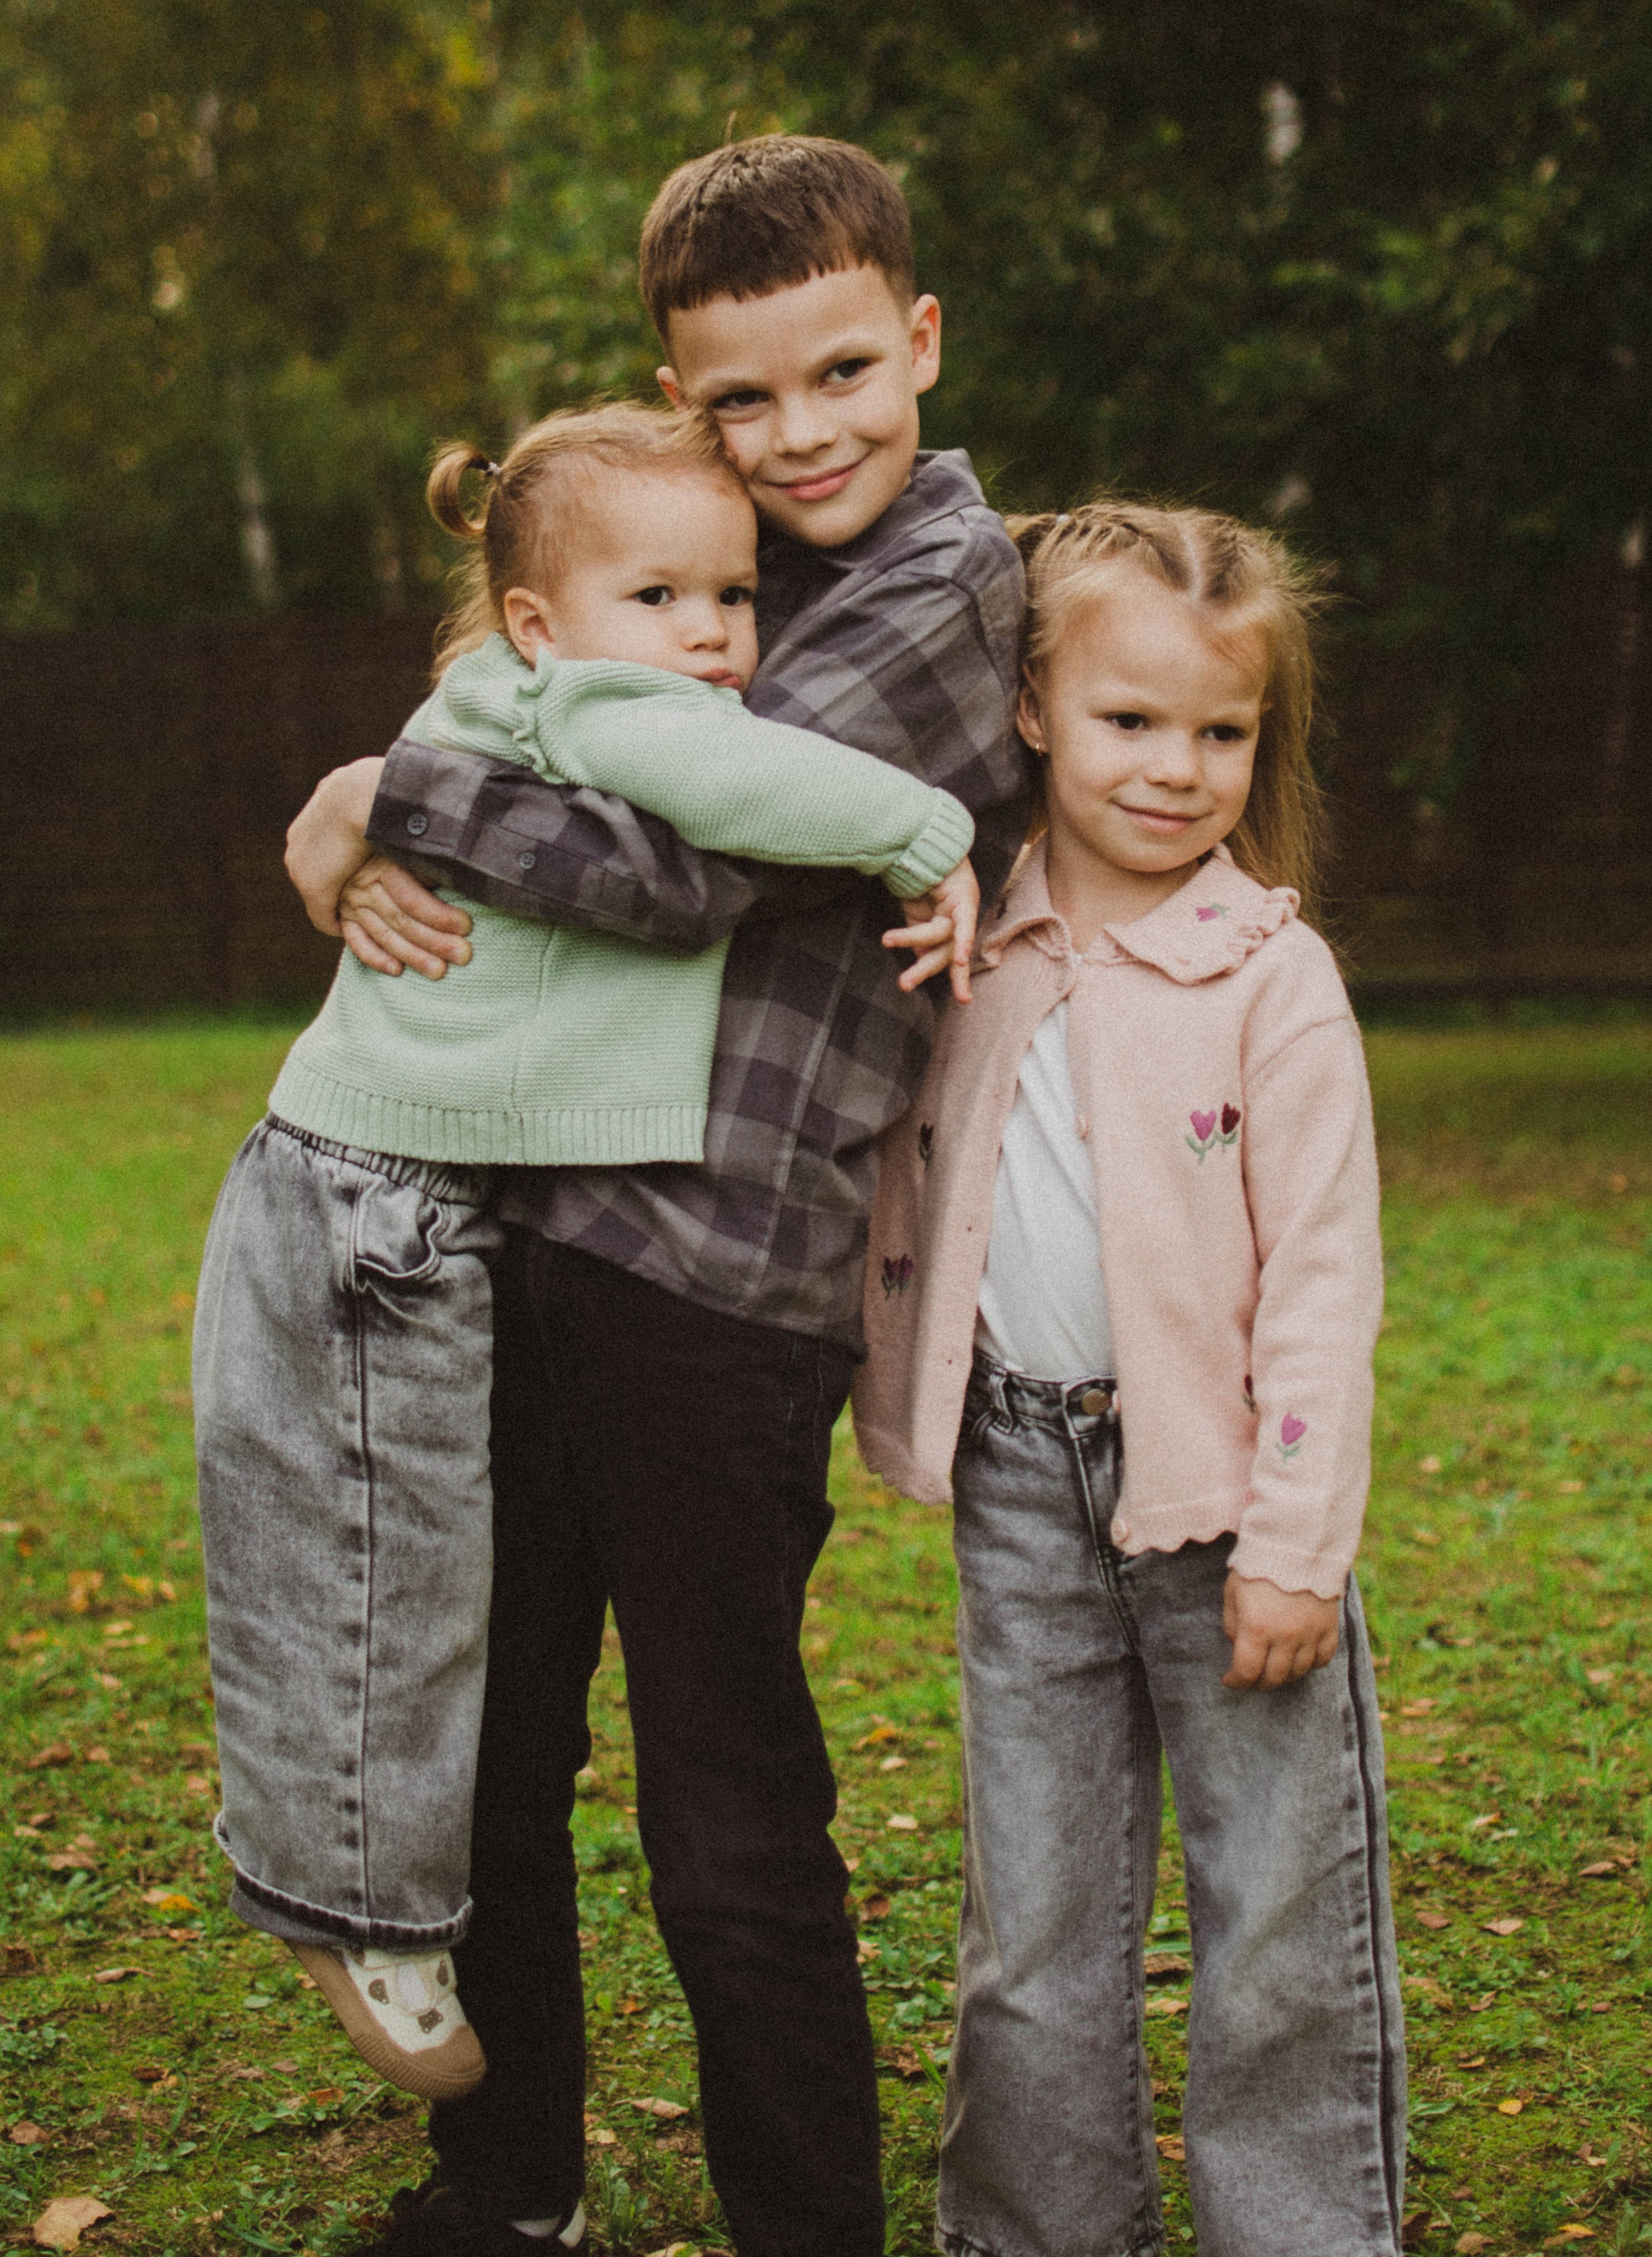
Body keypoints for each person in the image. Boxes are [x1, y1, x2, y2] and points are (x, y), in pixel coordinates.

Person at [281, 138, 1033, 2257]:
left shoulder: (940, 594)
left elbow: (671, 862)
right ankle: (503, 2189)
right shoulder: (700, 561)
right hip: (516, 1234)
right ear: (674, 397)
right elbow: (548, 719)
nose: (801, 436)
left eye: (840, 373)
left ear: (922, 339)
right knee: (492, 1750)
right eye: (739, 399)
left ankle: (811, 2227)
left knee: (727, 1804)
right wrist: (413, 802)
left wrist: (373, 789)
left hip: (719, 1279)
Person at [194, 395, 980, 2112]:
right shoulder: (613, 708)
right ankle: (350, 1901)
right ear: (545, 622)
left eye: (732, 598)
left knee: (357, 1569)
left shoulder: (520, 693)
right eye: (664, 600)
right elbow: (724, 799)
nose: (709, 638)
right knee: (363, 1579)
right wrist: (932, 833)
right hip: (377, 1199)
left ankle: (362, 1903)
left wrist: (365, 792)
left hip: (412, 1192)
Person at [854, 502, 1407, 2257]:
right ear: (1030, 710)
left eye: (1220, 731)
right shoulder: (968, 941)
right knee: (1033, 1913)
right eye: (1128, 720)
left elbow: (1324, 1276)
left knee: (1275, 1911)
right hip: (1020, 1478)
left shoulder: (1271, 978)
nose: (1176, 769)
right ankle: (1033, 2224)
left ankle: (1301, 2228)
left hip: (1224, 1498)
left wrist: (1293, 1545)